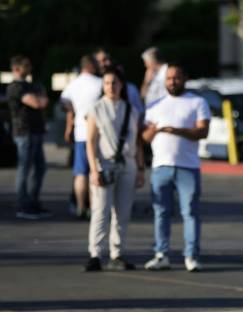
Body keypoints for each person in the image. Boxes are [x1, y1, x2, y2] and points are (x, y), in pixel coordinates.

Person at [142, 63, 211, 272]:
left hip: (187, 166)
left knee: (189, 212)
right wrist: (153, 131)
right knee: (161, 212)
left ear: (185, 78)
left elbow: (202, 132)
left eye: (176, 78)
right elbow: (144, 138)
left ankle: (191, 255)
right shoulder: (155, 105)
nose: (172, 82)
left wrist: (175, 130)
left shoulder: (197, 102)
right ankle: (161, 254)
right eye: (169, 78)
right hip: (161, 166)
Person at [83, 67, 146, 272]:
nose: (111, 87)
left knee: (123, 212)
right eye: (107, 83)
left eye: (115, 83)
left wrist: (140, 168)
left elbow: (137, 143)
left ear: (121, 85)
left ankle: (116, 253)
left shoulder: (131, 109)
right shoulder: (97, 108)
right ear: (103, 86)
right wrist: (93, 169)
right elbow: (91, 141)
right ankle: (95, 253)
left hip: (127, 164)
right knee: (101, 210)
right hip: (105, 163)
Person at [6, 55, 50, 219]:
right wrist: (40, 98)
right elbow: (39, 103)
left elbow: (41, 100)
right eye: (26, 66)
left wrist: (40, 98)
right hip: (24, 132)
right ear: (17, 69)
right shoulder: (15, 87)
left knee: (40, 168)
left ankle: (33, 202)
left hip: (36, 131)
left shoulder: (29, 86)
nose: (29, 69)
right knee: (24, 169)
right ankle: (23, 205)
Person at [61, 55, 102, 219]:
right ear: (92, 66)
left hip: (80, 132)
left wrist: (74, 115)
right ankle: (93, 207)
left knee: (80, 173)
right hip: (98, 133)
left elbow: (64, 102)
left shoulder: (73, 84)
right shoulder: (99, 83)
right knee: (95, 171)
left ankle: (79, 206)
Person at [94, 48, 145, 115]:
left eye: (114, 82)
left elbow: (140, 111)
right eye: (107, 83)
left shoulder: (131, 89)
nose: (111, 87)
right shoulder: (95, 85)